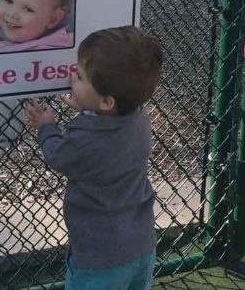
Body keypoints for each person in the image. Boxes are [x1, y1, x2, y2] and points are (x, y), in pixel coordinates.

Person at [24, 27, 163, 290]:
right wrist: (90, 106)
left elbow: (58, 155)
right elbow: (111, 120)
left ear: (107, 102)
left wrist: (47, 126)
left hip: (100, 259)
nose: (71, 78)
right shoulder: (140, 119)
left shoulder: (84, 140)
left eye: (79, 77)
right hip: (142, 245)